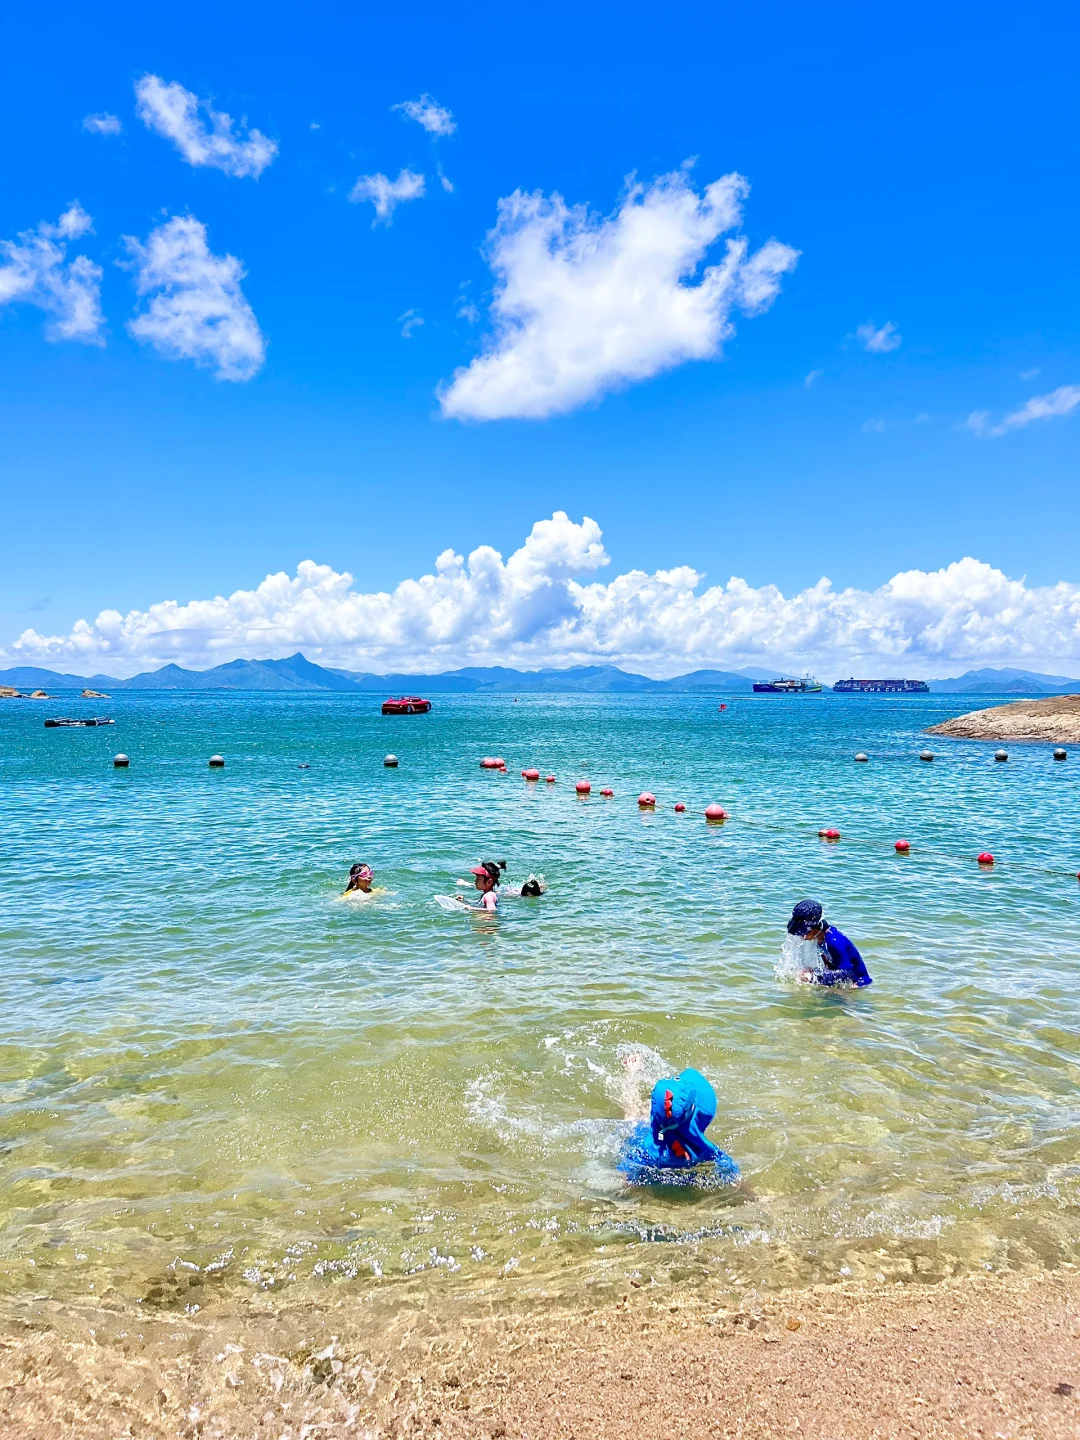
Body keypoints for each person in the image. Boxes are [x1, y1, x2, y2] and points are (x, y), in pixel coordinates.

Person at [617, 1067, 740, 1186]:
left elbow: (626, 1177)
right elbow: (736, 1179)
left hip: (645, 1136)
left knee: (632, 1117)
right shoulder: (707, 1153)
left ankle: (632, 1074)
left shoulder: (644, 1151)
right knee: (635, 1116)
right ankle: (633, 1073)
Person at [787, 899, 872, 986]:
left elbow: (847, 973)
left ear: (813, 929)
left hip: (857, 983)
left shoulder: (834, 941)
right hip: (845, 981)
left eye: (802, 933)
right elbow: (831, 965)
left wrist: (814, 976)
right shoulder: (820, 938)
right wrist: (813, 971)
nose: (801, 937)